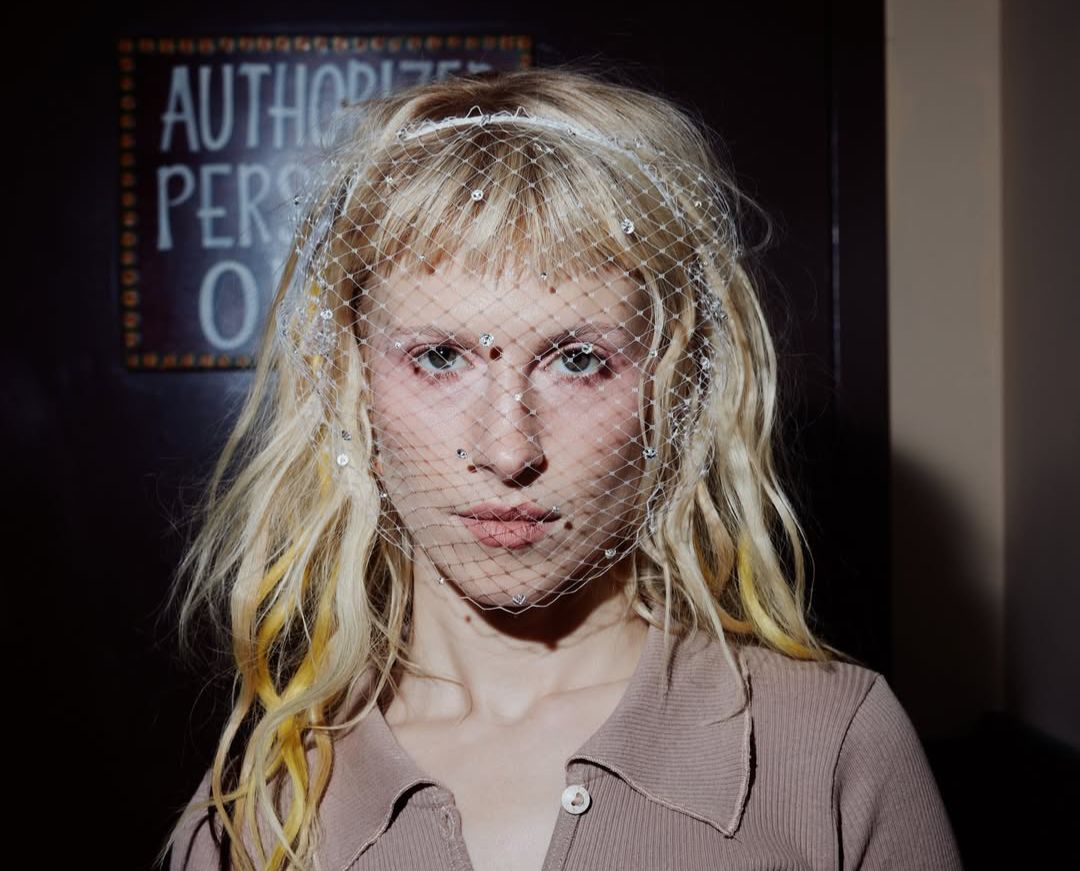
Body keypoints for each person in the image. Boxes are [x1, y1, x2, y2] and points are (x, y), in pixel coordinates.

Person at [163, 67, 963, 871]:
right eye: (439, 357)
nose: (509, 450)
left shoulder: (831, 743)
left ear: (671, 390)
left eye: (579, 360)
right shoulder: (265, 800)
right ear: (352, 385)